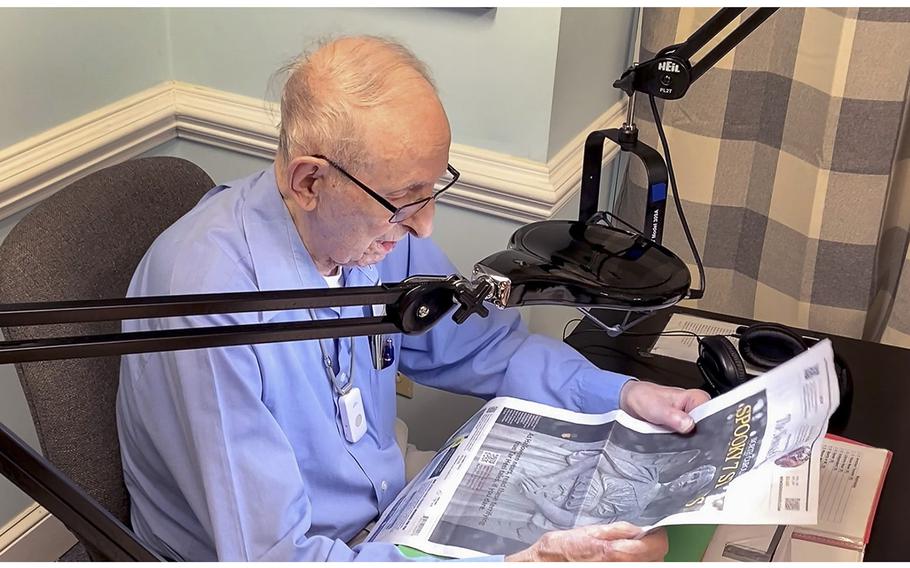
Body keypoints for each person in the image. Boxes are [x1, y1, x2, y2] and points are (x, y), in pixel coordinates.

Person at [115, 35, 709, 562]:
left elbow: (486, 349)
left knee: (620, 534)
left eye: (433, 190)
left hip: (388, 509)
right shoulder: (208, 297)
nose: (424, 227)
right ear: (309, 181)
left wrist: (625, 395)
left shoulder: (373, 233)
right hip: (292, 551)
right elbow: (272, 554)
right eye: (406, 200)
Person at [518, 446, 717, 532]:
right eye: (693, 476)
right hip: (551, 472)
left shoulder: (634, 515)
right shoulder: (646, 476)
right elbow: (598, 460)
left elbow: (573, 521)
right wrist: (550, 479)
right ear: (686, 473)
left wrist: (538, 499)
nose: (688, 482)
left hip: (541, 500)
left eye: (693, 485)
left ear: (687, 495)